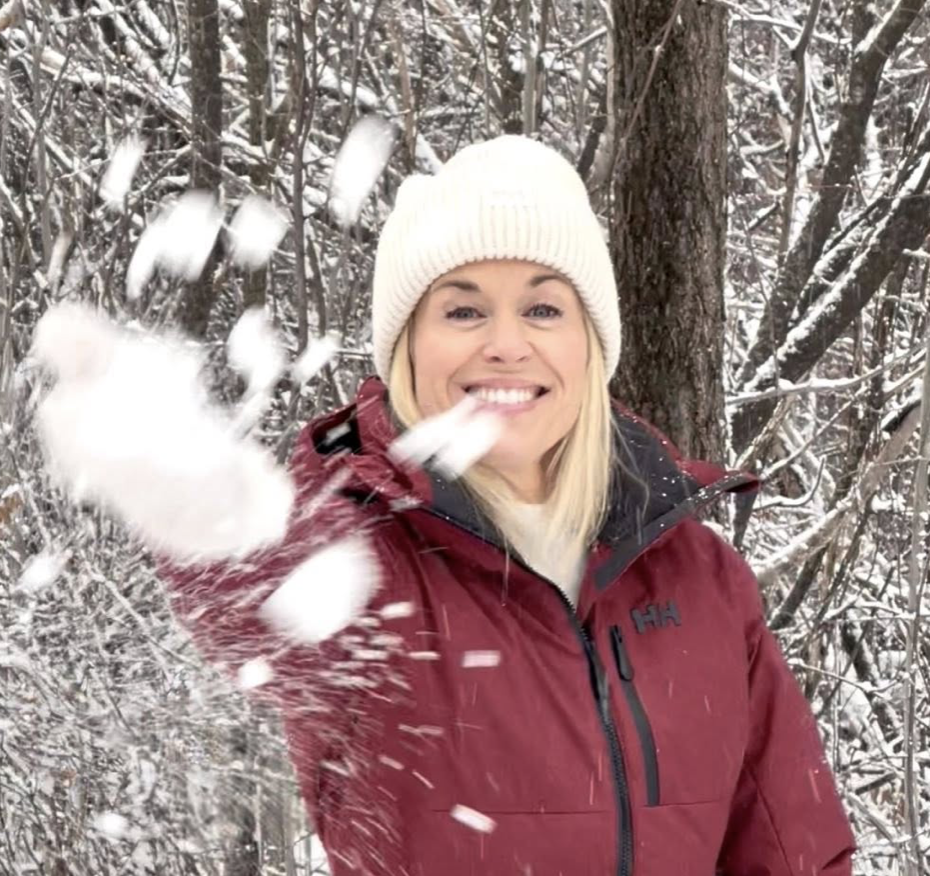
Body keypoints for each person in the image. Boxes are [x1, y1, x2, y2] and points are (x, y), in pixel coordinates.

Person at [160, 136, 857, 875]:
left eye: (543, 308)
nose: (506, 345)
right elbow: (248, 601)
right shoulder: (363, 562)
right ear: (408, 349)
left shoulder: (701, 579)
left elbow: (793, 852)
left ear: (589, 344)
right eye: (463, 312)